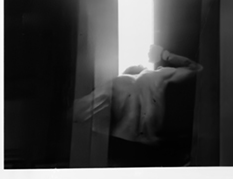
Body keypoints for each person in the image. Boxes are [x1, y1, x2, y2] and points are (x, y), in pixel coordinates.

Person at [73, 43, 203, 167]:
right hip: (150, 147)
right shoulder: (157, 75)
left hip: (121, 145)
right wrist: (165, 54)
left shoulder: (116, 82)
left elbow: (78, 112)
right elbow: (196, 68)